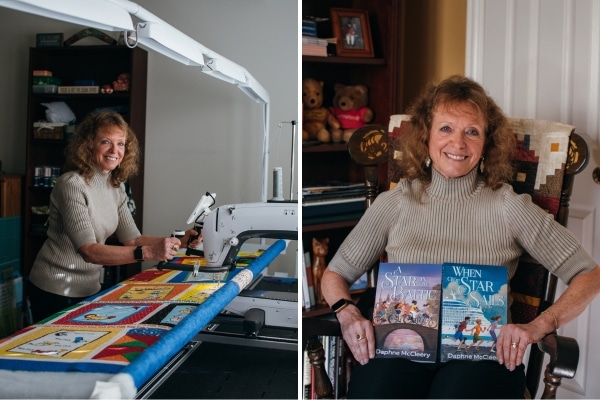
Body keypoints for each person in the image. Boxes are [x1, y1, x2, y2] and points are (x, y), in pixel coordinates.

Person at [320, 75, 600, 399]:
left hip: (481, 357)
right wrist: (347, 312)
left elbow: (589, 274)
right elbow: (335, 273)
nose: (458, 143)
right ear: (426, 136)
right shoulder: (395, 203)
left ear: (486, 145)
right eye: (446, 128)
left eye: (472, 131)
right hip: (400, 348)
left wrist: (537, 326)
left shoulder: (509, 206)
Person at [28, 109, 199, 323]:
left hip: (90, 289)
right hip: (54, 289)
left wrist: (182, 241)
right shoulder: (71, 184)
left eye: (120, 143)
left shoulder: (116, 187)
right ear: (89, 144)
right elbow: (89, 251)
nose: (114, 150)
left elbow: (133, 239)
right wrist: (147, 252)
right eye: (105, 142)